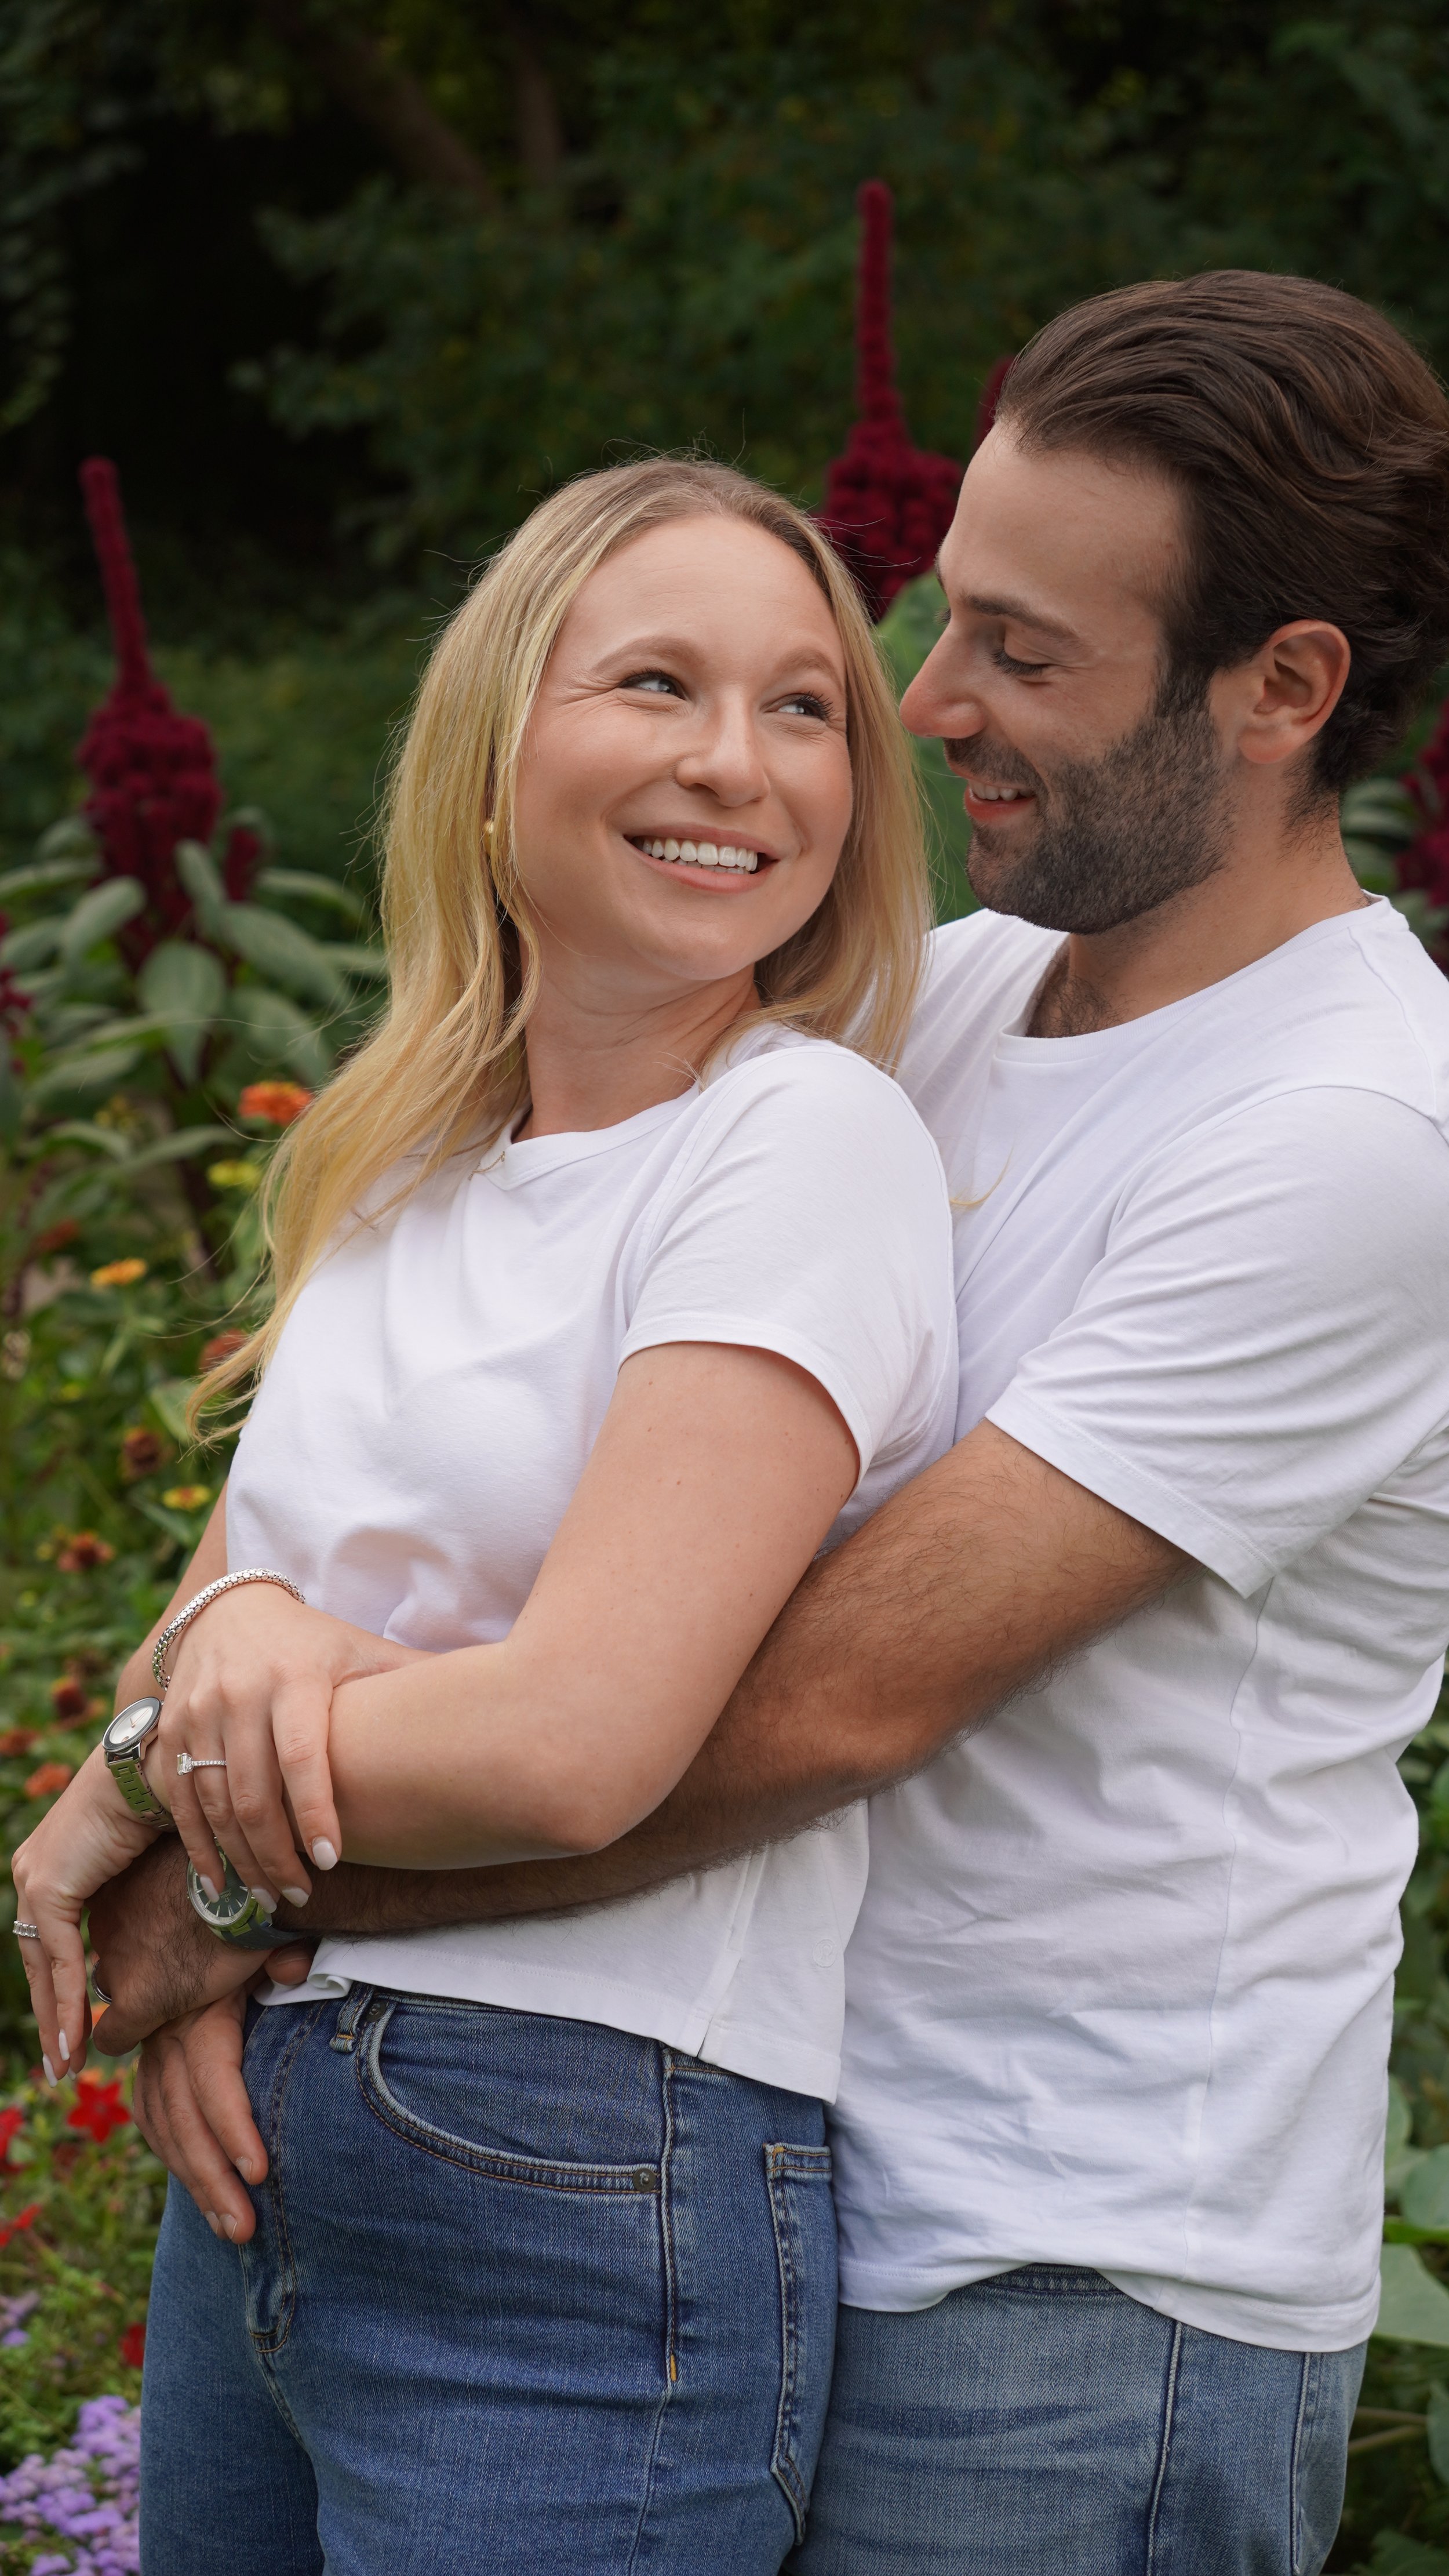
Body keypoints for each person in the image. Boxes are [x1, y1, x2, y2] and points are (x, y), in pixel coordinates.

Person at [65, 270, 1449, 2575]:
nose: (925, 704)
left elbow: (813, 1696)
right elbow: (452, 1406)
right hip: (733, 2173)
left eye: (1023, 650)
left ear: (1278, 691)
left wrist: (235, 1893)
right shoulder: (939, 1008)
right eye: (935, 626)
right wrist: (229, 1663)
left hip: (1064, 2282)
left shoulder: (1356, 1132)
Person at [11, 457, 962, 2574]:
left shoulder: (796, 1140)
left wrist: (158, 1798)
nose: (741, 761)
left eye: (805, 706)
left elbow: (572, 1742)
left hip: (584, 2171)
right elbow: (225, 1611)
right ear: (493, 738)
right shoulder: (408, 1152)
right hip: (273, 2139)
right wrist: (226, 1796)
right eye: (657, 681)